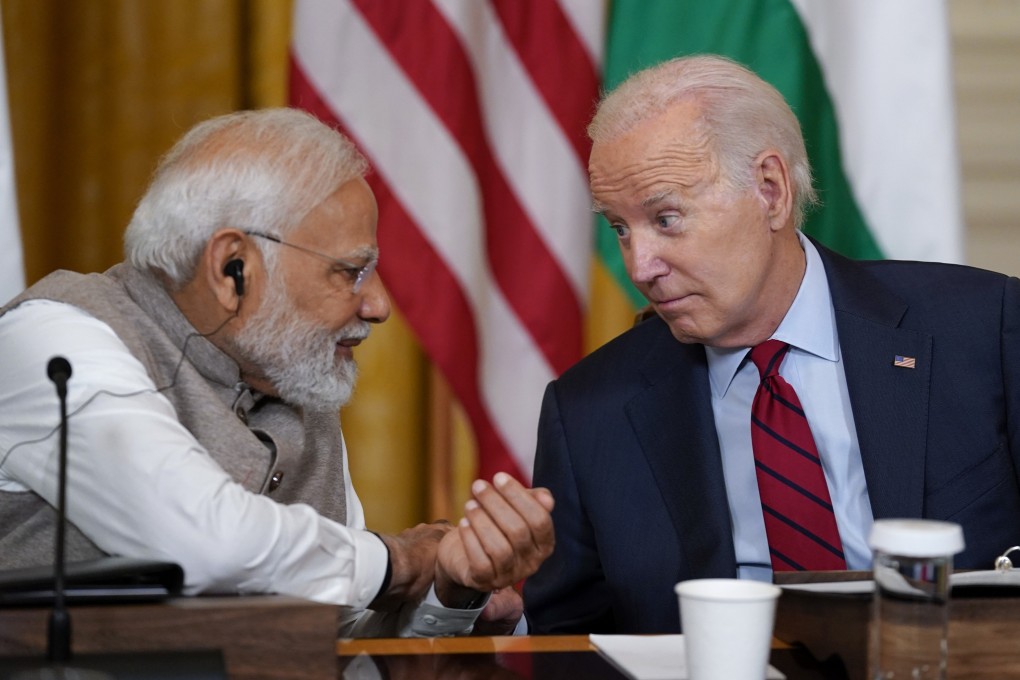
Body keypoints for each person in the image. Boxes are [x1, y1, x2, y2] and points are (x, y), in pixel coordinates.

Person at [0, 108, 554, 637]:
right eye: (352, 272)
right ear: (230, 268)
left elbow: (334, 635)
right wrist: (404, 559)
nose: (380, 305)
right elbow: (207, 544)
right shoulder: (55, 339)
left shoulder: (292, 379)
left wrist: (451, 593)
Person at [522, 54, 1020, 634]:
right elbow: (572, 643)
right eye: (620, 228)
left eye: (665, 219)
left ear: (770, 189)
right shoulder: (589, 411)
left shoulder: (982, 327)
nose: (640, 265)